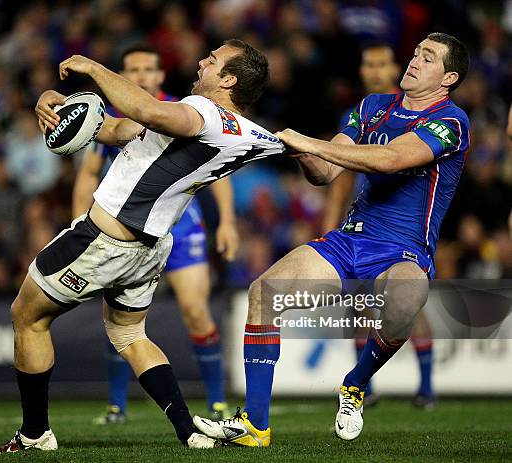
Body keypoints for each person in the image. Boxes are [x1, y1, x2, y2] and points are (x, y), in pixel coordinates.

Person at [0, 38, 284, 452]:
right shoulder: (241, 131)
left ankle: (34, 434)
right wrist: (60, 105)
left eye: (213, 60)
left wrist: (94, 69)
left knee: (27, 317)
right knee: (130, 335)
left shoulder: (200, 111)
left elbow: (144, 110)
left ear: (229, 80)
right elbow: (117, 128)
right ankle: (189, 432)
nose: (201, 60)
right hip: (149, 250)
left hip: (105, 240)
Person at [193, 32, 470, 446]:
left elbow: (392, 159)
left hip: (403, 252)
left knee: (408, 296)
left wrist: (310, 142)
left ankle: (355, 385)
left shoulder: (451, 122)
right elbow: (325, 173)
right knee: (263, 293)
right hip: (349, 240)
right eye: (414, 53)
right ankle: (255, 425)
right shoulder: (372, 107)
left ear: (447, 78)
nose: (413, 61)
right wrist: (301, 152)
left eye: (427, 58)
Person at [72, 44, 237, 424]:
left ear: (161, 76)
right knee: (118, 319)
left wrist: (226, 221)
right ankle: (117, 406)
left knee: (196, 312)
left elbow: (220, 169)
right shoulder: (110, 118)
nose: (142, 76)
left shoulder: (185, 111)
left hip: (182, 228)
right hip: (125, 232)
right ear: (124, 75)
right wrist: (83, 225)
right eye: (134, 69)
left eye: (149, 69)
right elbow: (86, 177)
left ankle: (216, 401)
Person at [323, 42, 435, 409]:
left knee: (408, 305)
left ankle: (427, 387)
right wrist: (329, 226)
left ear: (395, 70)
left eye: (381, 64)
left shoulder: (417, 113)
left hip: (405, 227)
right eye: (367, 64)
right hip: (361, 225)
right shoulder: (358, 114)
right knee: (359, 304)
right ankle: (364, 388)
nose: (373, 70)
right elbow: (338, 178)